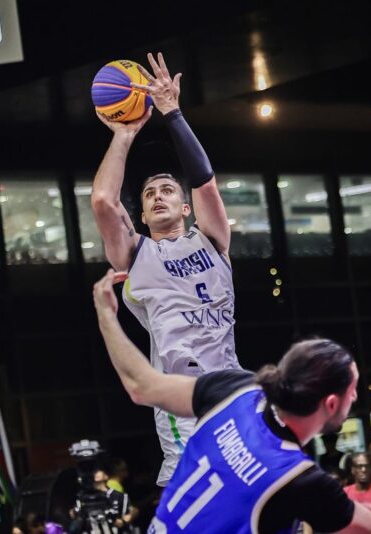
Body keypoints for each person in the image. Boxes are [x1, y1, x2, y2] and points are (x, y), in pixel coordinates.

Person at [90, 270, 371, 533]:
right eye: (354, 389)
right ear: (331, 403)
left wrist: (107, 314)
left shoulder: (237, 389)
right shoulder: (298, 478)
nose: (357, 396)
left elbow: (140, 385)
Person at [90, 52, 240, 486]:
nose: (157, 195)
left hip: (231, 389)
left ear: (186, 206)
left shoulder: (211, 241)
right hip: (182, 401)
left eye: (167, 189)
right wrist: (124, 133)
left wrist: (172, 114)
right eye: (149, 193)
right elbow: (103, 201)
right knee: (192, 508)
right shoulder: (136, 255)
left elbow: (206, 180)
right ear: (140, 215)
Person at [70, 469, 135, 534]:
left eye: (98, 471)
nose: (94, 473)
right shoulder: (83, 497)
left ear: (106, 476)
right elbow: (77, 520)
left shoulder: (119, 497)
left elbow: (126, 517)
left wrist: (118, 519)